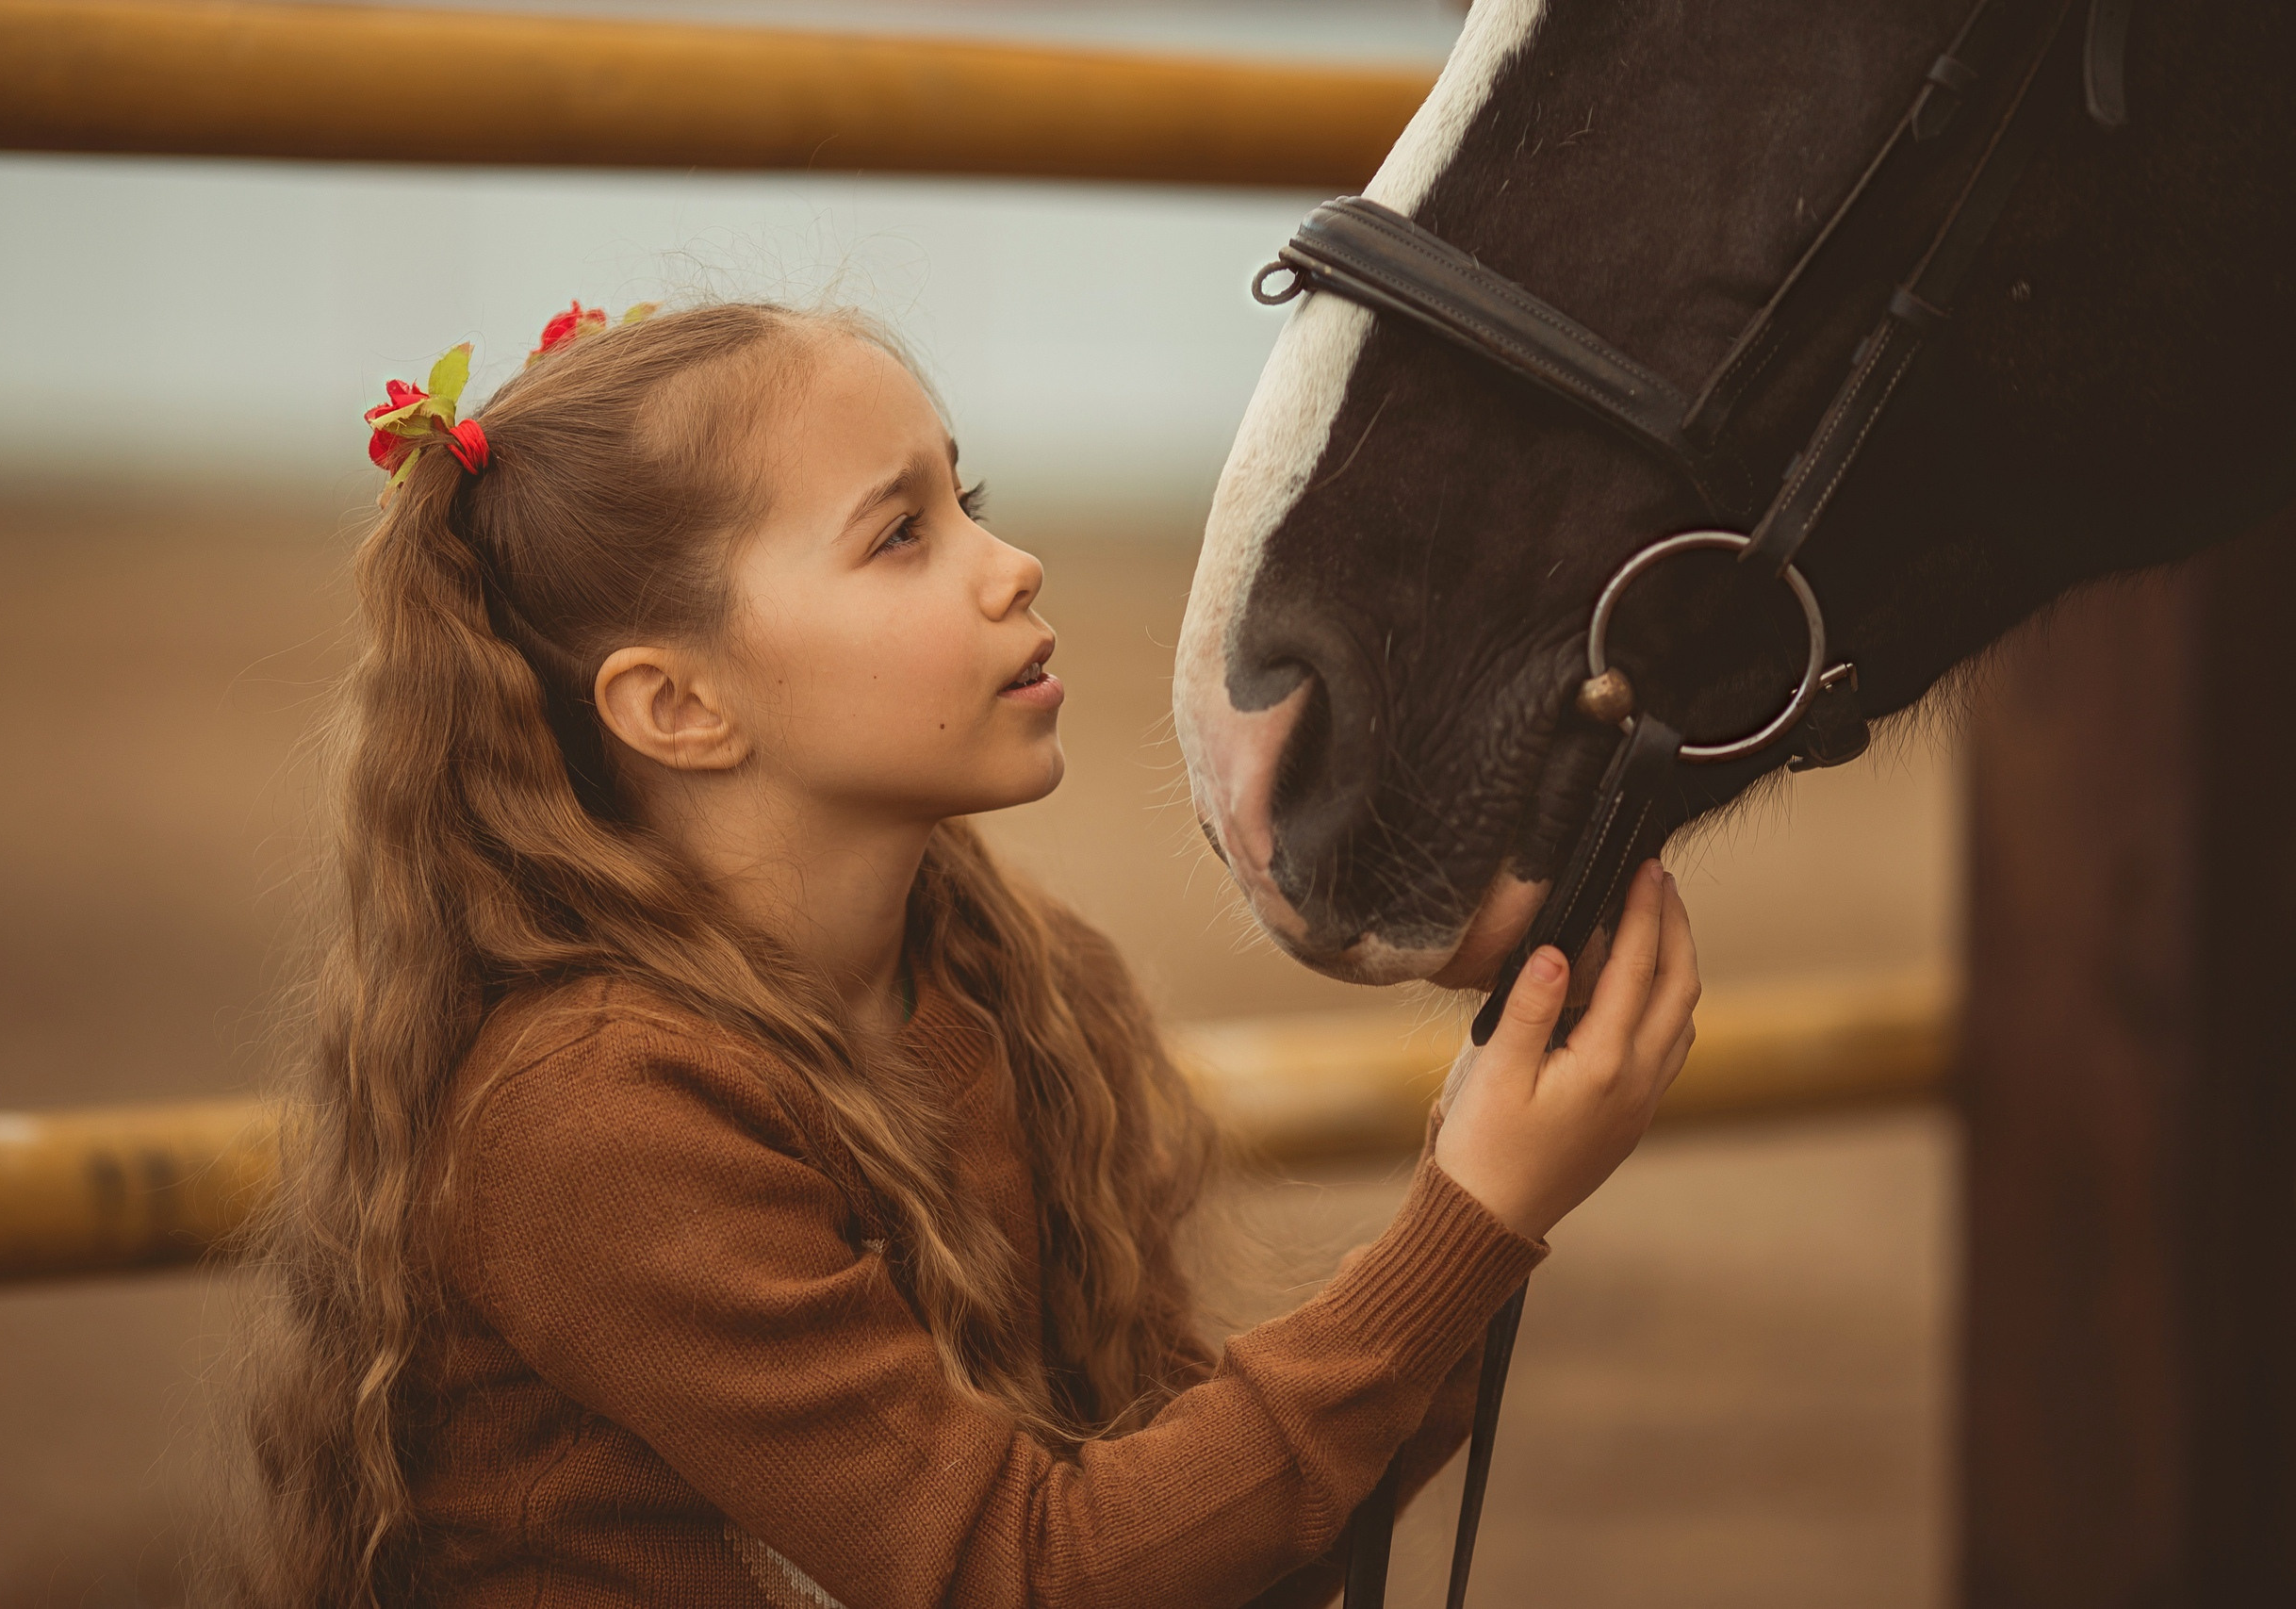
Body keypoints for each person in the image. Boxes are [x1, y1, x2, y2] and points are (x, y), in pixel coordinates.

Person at [238, 300, 1699, 1609]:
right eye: (900, 534)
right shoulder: (594, 1115)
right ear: (676, 706)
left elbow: (1199, 1547)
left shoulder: (1006, 982)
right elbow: (1025, 1572)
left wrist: (1480, 1213)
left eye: (969, 498)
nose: (1012, 565)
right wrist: (1468, 1222)